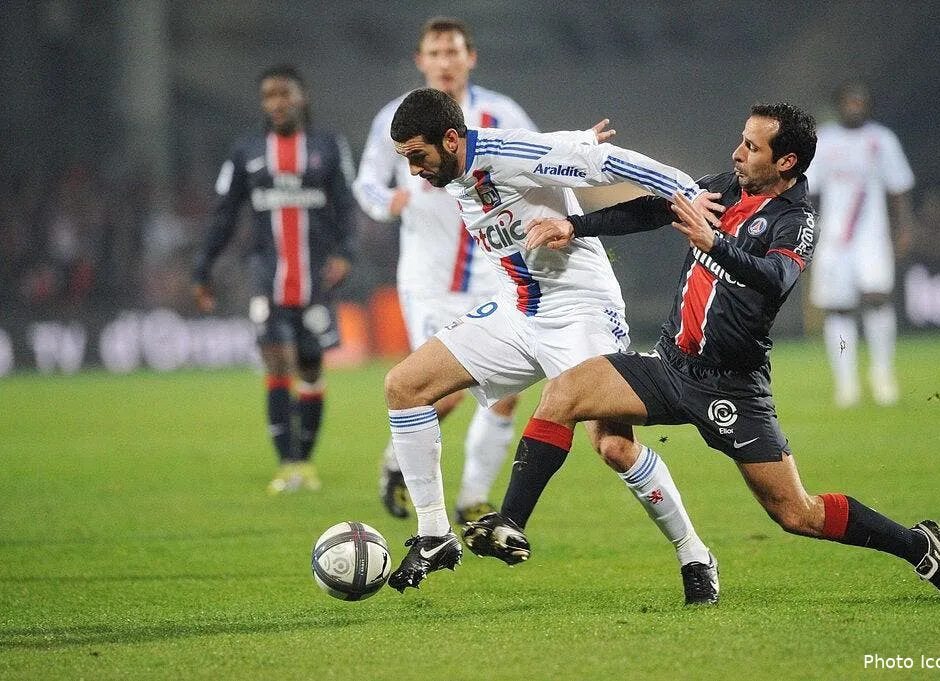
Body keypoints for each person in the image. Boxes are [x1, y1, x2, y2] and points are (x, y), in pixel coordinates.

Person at [464, 103, 940, 601]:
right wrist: (576, 226)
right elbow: (656, 207)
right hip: (669, 366)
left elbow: (777, 278)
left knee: (796, 513)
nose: (737, 153)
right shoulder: (728, 189)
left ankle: (918, 546)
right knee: (564, 393)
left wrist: (715, 243)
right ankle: (510, 521)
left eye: (752, 147)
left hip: (731, 386)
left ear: (786, 163)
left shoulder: (795, 221)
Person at [383, 87, 722, 603]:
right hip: (518, 309)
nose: (414, 171)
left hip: (582, 309)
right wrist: (574, 138)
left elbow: (606, 163)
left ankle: (695, 553)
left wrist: (685, 191)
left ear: (451, 139)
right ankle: (434, 535)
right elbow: (548, 147)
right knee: (404, 386)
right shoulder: (460, 164)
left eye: (417, 157)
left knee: (612, 445)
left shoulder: (505, 158)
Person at [353, 17, 537, 526]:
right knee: (447, 391)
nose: (445, 61)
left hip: (495, 273)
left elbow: (538, 164)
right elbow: (366, 181)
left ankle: (473, 498)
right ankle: (398, 459)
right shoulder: (394, 117)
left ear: (470, 57)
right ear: (421, 60)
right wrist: (385, 202)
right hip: (428, 280)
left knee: (509, 389)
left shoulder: (501, 113)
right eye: (435, 52)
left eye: (453, 51)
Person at [192, 64, 357, 494]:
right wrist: (202, 267)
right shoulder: (246, 150)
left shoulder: (328, 147)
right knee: (277, 359)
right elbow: (223, 213)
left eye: (285, 93)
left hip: (316, 277)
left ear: (302, 97)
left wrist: (345, 253)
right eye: (269, 95)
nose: (277, 103)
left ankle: (305, 461)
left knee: (310, 365)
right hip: (266, 274)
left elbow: (347, 206)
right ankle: (287, 464)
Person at [805, 82, 915, 407]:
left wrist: (904, 229)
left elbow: (899, 188)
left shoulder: (882, 140)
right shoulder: (824, 140)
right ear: (838, 104)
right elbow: (810, 190)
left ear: (868, 105)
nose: (854, 106)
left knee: (878, 299)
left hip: (872, 238)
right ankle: (846, 382)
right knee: (839, 308)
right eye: (848, 100)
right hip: (835, 240)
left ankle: (882, 373)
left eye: (860, 101)